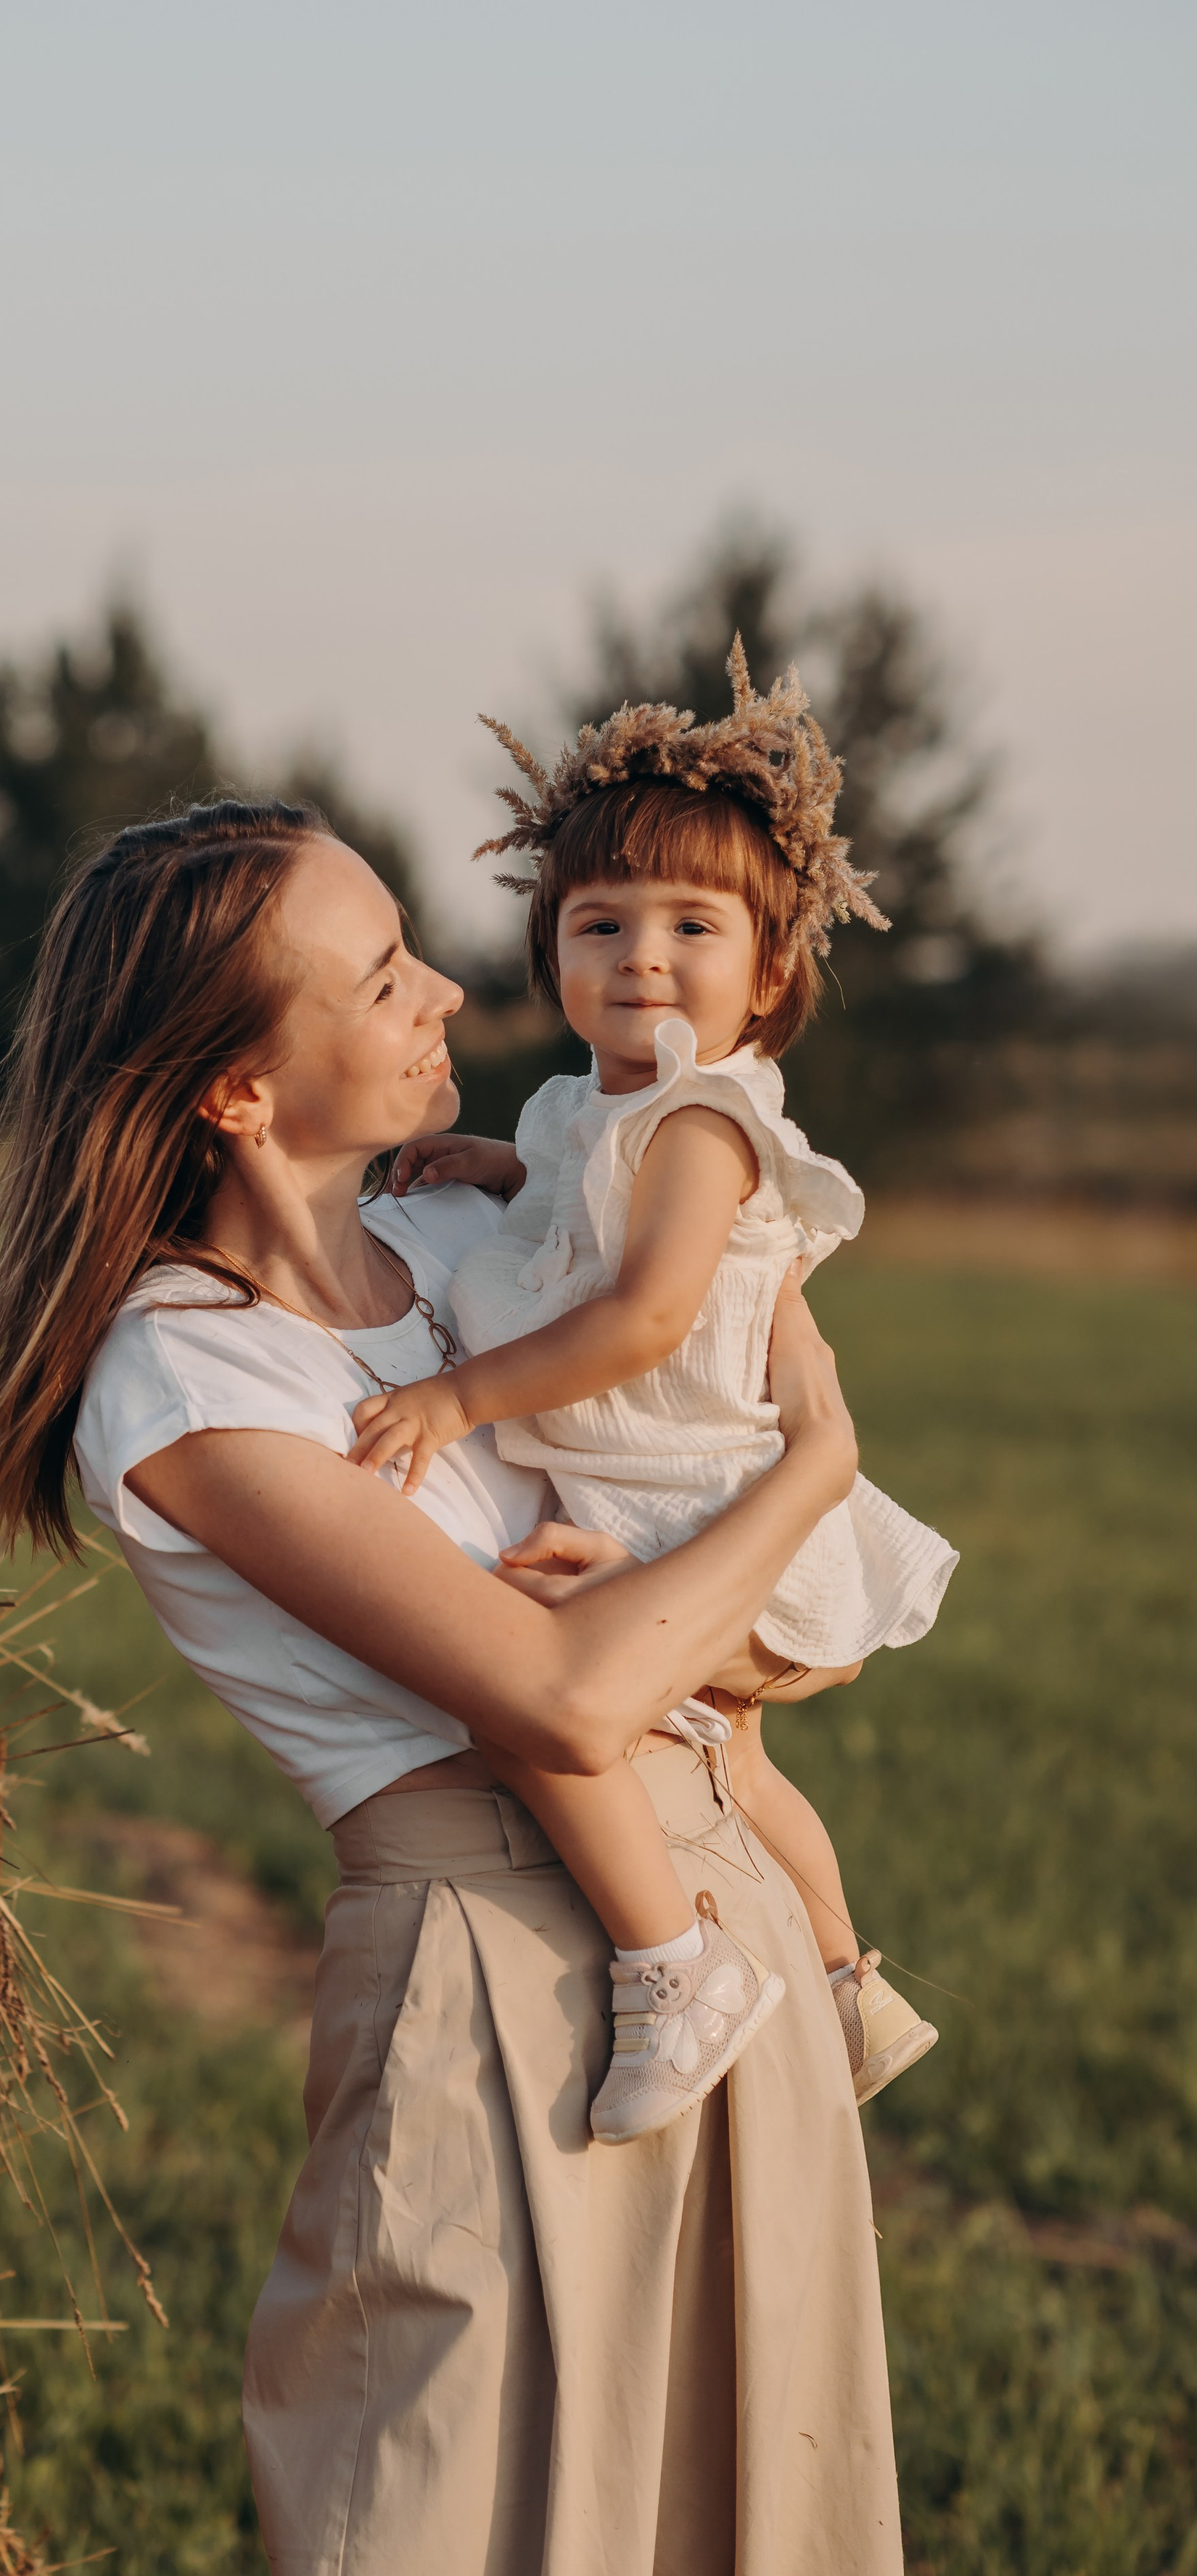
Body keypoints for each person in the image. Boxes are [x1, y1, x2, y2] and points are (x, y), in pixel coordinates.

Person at [0, 795, 912, 2576]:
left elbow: (766, 1614)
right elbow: (562, 1695)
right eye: (381, 975)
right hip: (503, 2006)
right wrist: (817, 1472)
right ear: (235, 1088)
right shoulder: (192, 1385)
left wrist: (729, 1596)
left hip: (718, 1940)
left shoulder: (478, 1238)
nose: (447, 994)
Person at [347, 643, 954, 2139]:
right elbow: (584, 1215)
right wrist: (508, 1169)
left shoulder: (700, 1120)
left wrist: (458, 1402)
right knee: (732, 1757)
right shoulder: (584, 1109)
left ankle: (672, 1964)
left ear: (771, 971)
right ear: (550, 948)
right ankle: (843, 1980)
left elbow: (645, 1313)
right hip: (653, 1486)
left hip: (700, 1503)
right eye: (600, 922)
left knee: (566, 1694)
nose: (641, 956)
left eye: (693, 925)